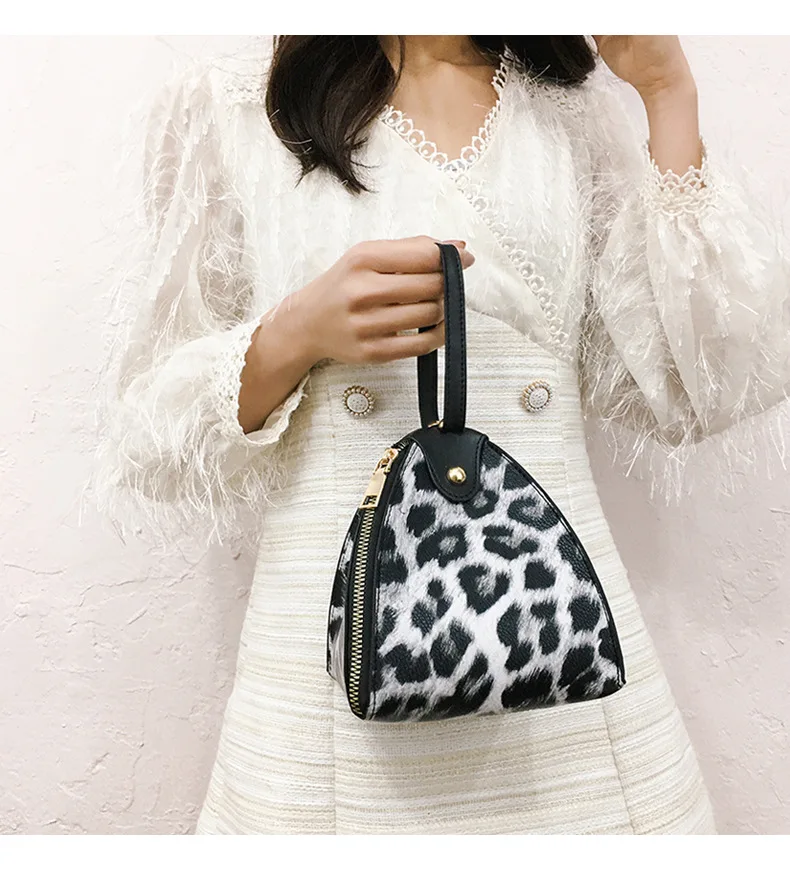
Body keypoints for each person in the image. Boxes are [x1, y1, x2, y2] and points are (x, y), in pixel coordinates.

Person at [89, 35, 790, 834]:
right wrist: (293, 334)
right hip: (328, 696)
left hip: (567, 689)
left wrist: (666, 94)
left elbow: (694, 386)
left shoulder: (567, 111)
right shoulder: (233, 107)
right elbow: (148, 435)